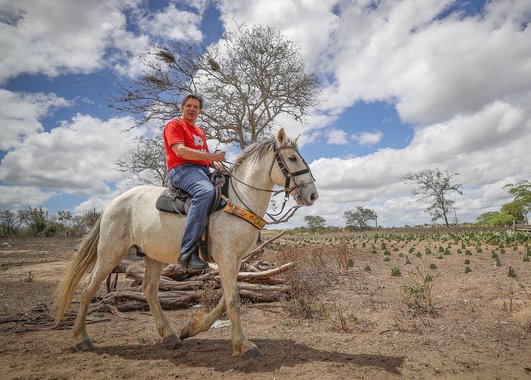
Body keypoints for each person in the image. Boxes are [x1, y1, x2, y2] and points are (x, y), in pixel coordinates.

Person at [163, 94, 225, 270]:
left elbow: (204, 158)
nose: (192, 109)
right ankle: (188, 253)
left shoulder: (199, 132)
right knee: (205, 192)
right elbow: (181, 151)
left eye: (196, 107)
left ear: (200, 111)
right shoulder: (175, 124)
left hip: (201, 170)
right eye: (189, 106)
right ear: (182, 107)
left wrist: (217, 165)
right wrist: (212, 156)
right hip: (181, 169)